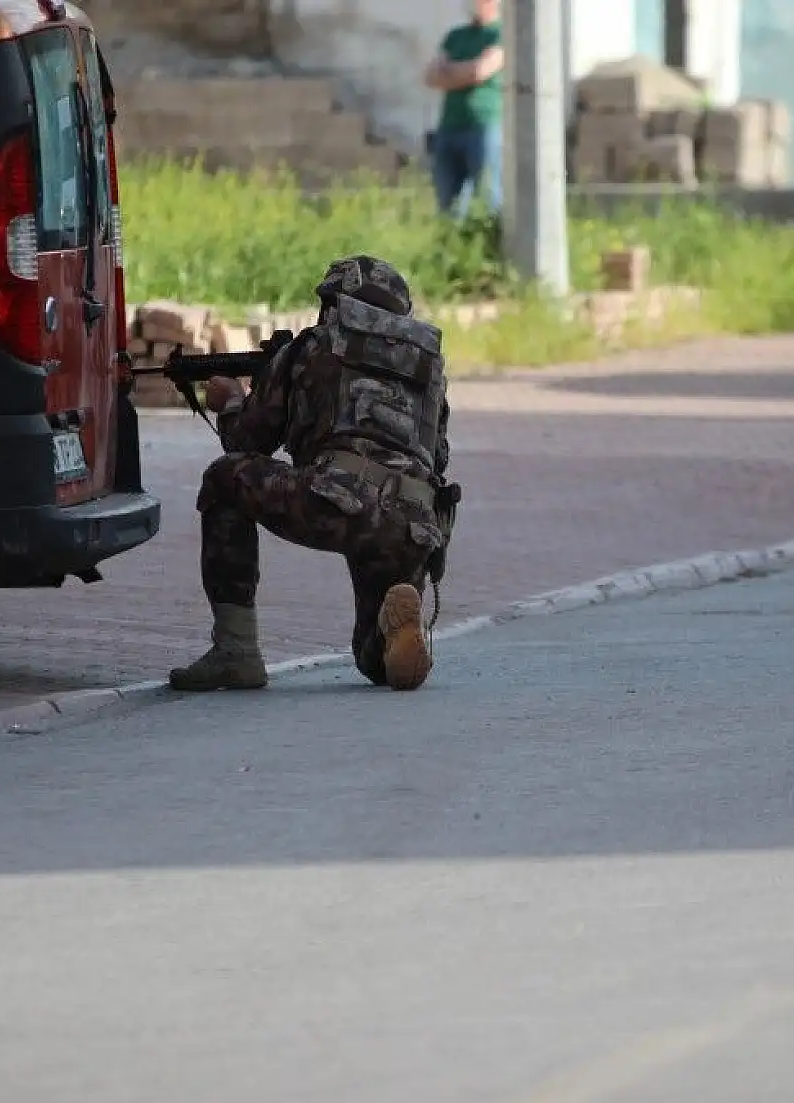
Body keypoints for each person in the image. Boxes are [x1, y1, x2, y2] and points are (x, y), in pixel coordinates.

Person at [169, 256, 457, 695]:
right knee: (374, 663)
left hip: (340, 501)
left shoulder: (311, 348)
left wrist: (230, 402)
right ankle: (392, 628)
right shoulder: (430, 367)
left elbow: (248, 441)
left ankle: (237, 651)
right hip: (413, 523)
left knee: (225, 479)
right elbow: (437, 456)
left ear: (333, 305)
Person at [424, 0, 505, 219]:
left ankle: (491, 245)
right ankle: (453, 247)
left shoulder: (502, 34)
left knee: (490, 195)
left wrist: (449, 72)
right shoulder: (455, 36)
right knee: (447, 201)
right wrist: (465, 72)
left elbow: (480, 71)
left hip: (483, 125)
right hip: (449, 125)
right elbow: (431, 76)